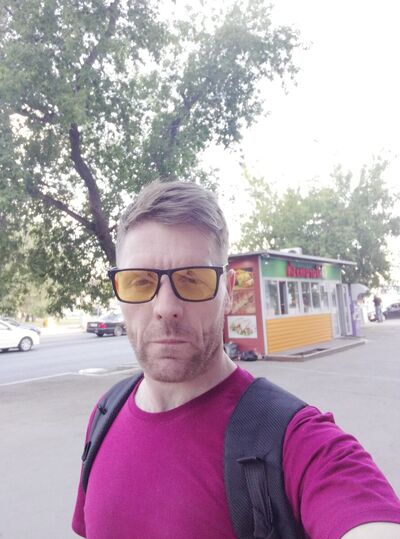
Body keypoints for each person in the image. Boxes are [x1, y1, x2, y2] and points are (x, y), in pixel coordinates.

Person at [72, 181, 400, 539]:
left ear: (227, 291)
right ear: (119, 291)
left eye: (193, 280)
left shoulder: (295, 441)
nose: (166, 307)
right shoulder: (105, 414)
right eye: (140, 282)